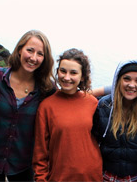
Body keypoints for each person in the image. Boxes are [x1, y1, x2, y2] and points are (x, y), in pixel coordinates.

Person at [0, 30, 55, 181]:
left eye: (40, 54)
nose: (33, 58)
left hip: (22, 166)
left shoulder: (47, 89)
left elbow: (69, 98)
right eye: (29, 50)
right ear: (19, 50)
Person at [32, 48, 103, 181]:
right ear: (57, 71)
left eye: (73, 73)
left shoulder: (92, 103)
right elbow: (40, 153)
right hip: (60, 178)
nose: (66, 77)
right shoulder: (46, 107)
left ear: (82, 77)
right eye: (63, 71)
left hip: (92, 177)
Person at [92, 59, 137, 182]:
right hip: (107, 176)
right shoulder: (104, 105)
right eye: (127, 79)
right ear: (118, 81)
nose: (131, 85)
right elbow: (94, 140)